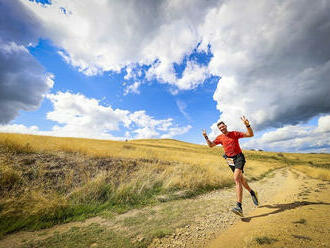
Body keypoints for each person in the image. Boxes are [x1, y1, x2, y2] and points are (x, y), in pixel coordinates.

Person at [202, 116, 258, 217]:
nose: (222, 128)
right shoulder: (220, 137)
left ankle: (239, 206)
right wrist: (206, 137)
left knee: (236, 178)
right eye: (220, 128)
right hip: (230, 160)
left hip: (239, 157)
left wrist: (247, 125)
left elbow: (250, 134)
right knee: (241, 180)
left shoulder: (234, 134)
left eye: (223, 127)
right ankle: (252, 192)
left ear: (226, 126)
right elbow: (211, 145)